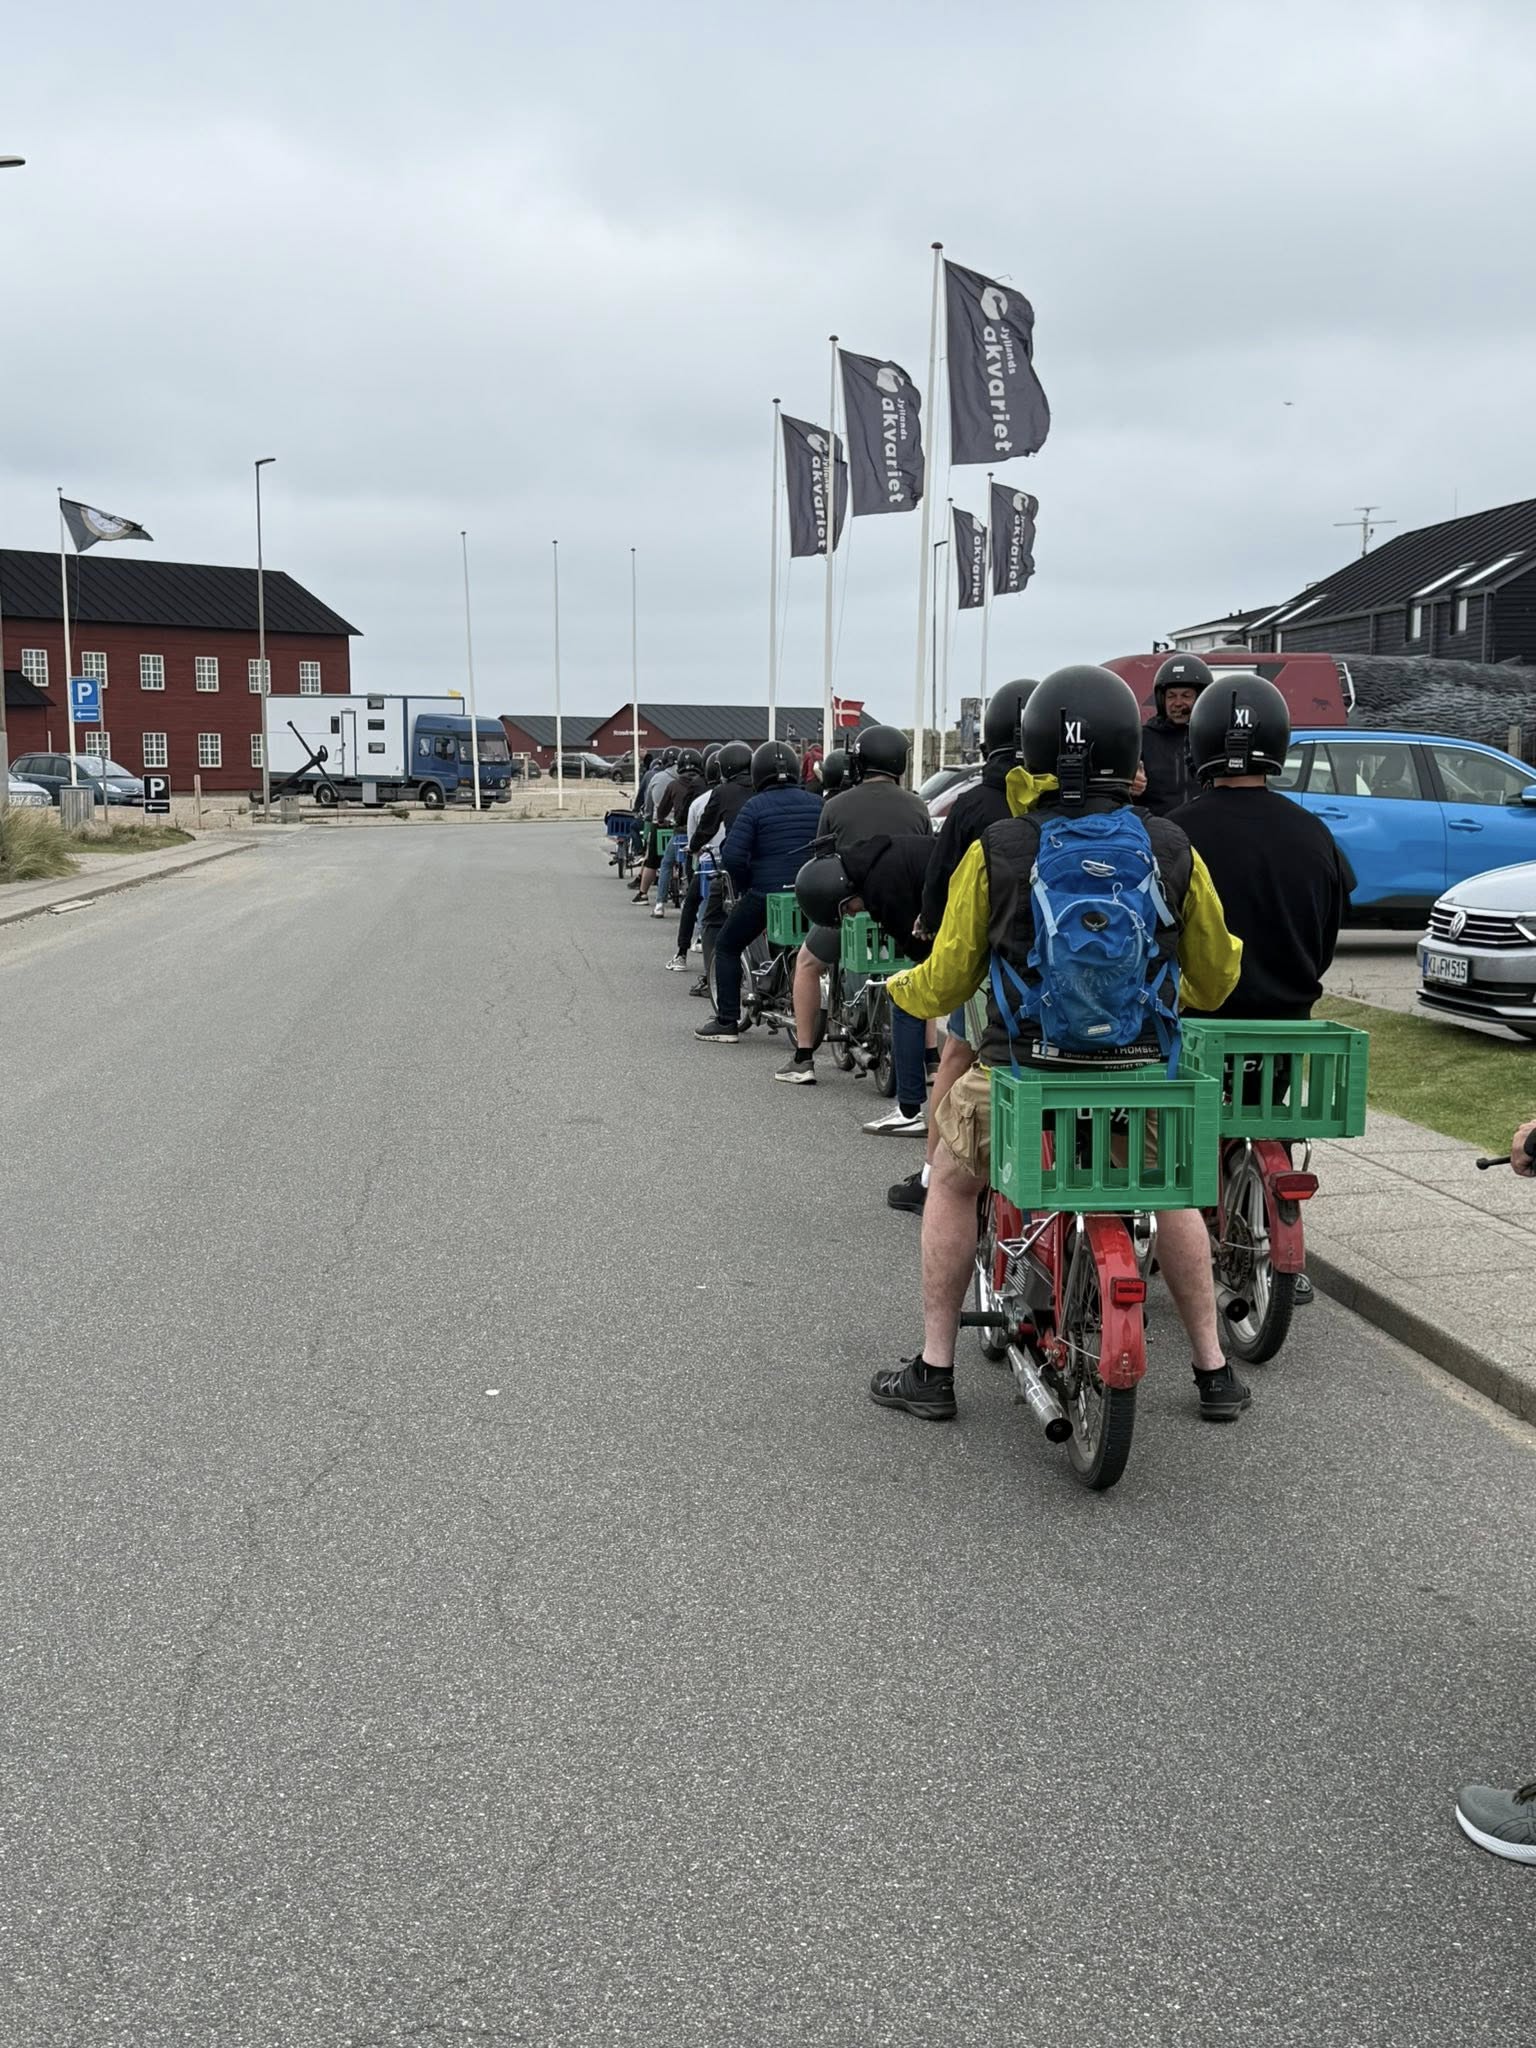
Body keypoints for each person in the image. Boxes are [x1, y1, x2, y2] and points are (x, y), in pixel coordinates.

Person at [878, 663, 1246, 1425]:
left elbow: (947, 981)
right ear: (1129, 751)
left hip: (1023, 1075)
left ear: (1038, 750)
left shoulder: (1000, 847)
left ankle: (935, 1368)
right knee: (1173, 1194)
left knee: (952, 1182)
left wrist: (898, 989)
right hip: (1138, 1077)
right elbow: (1213, 981)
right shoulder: (1172, 847)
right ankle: (1213, 1370)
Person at [889, 679, 1043, 1215]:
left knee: (958, 1052)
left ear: (989, 741)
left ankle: (932, 1172)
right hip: (1063, 971)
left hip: (991, 959)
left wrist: (931, 925)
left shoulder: (974, 804)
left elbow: (942, 878)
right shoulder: (1084, 810)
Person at [779, 724, 931, 1087]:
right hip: (906, 916)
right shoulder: (917, 804)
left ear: (859, 763)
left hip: (853, 912)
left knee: (807, 964)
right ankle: (932, 1058)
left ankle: (803, 1057)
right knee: (923, 969)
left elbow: (821, 863)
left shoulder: (835, 805)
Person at [797, 834, 938, 1135]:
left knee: (905, 996)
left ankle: (909, 1111)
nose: (853, 913)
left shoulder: (881, 887)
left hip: (969, 929)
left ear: (843, 891)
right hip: (976, 913)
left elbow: (916, 948)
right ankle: (935, 1068)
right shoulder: (877, 858)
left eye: (847, 908)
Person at [695, 742, 823, 1045]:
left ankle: (727, 1021)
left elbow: (733, 856)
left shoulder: (755, 806)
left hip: (768, 895)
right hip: (811, 896)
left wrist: (745, 884)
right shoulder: (817, 803)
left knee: (727, 945)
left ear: (758, 773)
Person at [684, 741, 755, 995]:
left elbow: (706, 827)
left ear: (725, 768)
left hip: (738, 866)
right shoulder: (762, 788)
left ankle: (712, 978)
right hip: (774, 868)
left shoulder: (723, 792)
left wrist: (693, 846)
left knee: (712, 917)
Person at [667, 749, 723, 971]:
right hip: (738, 862)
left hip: (709, 863)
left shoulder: (700, 802)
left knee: (691, 903)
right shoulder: (746, 798)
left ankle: (682, 953)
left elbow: (693, 841)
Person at [1139, 653, 1214, 817]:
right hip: (1158, 827)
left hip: (1205, 824)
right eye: (1171, 696)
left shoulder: (1213, 737)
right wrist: (1131, 785)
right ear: (1161, 700)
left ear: (1201, 698)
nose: (1178, 703)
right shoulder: (1143, 739)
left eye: (1186, 696)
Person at [652, 748, 706, 917]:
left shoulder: (673, 785)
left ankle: (660, 904)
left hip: (680, 832)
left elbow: (662, 810)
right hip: (700, 834)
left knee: (667, 863)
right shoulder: (704, 784)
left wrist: (661, 820)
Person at [631, 748, 679, 901]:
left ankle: (643, 894)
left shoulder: (657, 778)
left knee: (651, 861)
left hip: (660, 824)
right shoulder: (689, 779)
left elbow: (649, 805)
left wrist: (648, 817)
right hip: (681, 825)